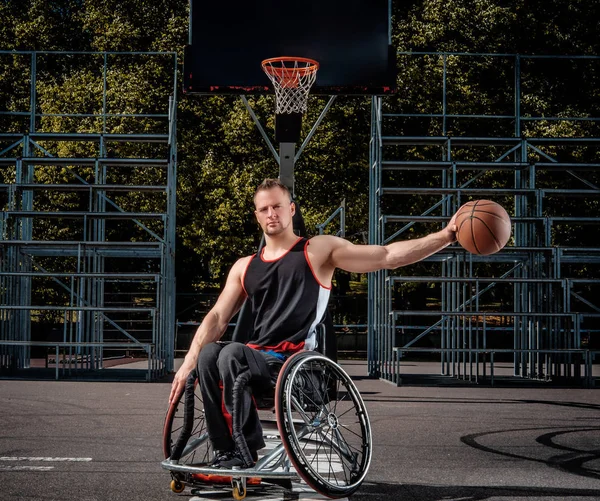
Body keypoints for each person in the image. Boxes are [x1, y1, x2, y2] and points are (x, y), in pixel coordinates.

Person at [169, 178, 458, 468]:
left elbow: (386, 256)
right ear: (256, 215)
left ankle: (245, 452)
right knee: (209, 354)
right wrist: (187, 362)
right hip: (255, 365)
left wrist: (445, 236)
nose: (271, 213)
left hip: (296, 367)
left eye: (277, 206)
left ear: (291, 209)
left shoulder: (316, 251)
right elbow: (218, 317)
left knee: (232, 353)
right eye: (264, 208)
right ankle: (225, 451)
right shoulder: (244, 266)